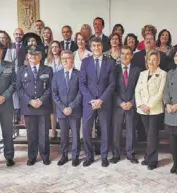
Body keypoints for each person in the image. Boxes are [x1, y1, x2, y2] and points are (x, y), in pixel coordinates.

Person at [80, 37, 115, 167]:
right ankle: (89, 156)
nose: (96, 48)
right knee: (86, 129)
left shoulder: (110, 62)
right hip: (89, 102)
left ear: (102, 46)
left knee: (105, 130)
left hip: (104, 101)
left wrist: (101, 100)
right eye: (93, 46)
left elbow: (112, 84)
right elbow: (82, 84)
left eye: (98, 45)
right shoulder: (85, 62)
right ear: (91, 47)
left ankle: (104, 156)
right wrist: (91, 100)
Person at [16, 47, 53, 166]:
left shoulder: (48, 70)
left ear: (40, 57)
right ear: (27, 56)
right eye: (30, 54)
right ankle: (31, 156)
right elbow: (19, 88)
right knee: (31, 134)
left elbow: (50, 88)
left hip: (43, 107)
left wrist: (41, 100)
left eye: (36, 54)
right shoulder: (21, 70)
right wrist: (30, 101)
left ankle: (45, 156)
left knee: (44, 134)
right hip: (29, 107)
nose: (33, 56)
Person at [135, 50, 167, 170]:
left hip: (154, 110)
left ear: (158, 61)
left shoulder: (163, 74)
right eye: (150, 59)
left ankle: (153, 160)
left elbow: (160, 93)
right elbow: (137, 90)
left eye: (154, 60)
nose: (152, 62)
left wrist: (149, 105)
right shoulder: (142, 73)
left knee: (152, 135)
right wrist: (141, 105)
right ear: (146, 61)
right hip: (143, 110)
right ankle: (148, 157)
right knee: (148, 134)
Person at [111, 46, 142, 164]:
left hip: (131, 105)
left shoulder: (137, 70)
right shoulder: (115, 69)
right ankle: (116, 154)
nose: (124, 56)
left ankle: (130, 153)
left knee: (131, 130)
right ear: (119, 55)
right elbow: (112, 89)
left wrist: (132, 102)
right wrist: (120, 102)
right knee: (116, 131)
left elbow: (139, 89)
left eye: (128, 54)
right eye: (122, 53)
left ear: (132, 56)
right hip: (118, 105)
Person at [52, 50, 82, 166]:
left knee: (75, 135)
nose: (65, 60)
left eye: (68, 58)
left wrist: (71, 106)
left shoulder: (78, 74)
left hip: (75, 111)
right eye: (63, 58)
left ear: (72, 60)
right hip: (62, 111)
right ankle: (64, 155)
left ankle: (75, 156)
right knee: (63, 135)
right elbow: (54, 94)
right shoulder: (56, 75)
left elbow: (80, 93)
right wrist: (63, 107)